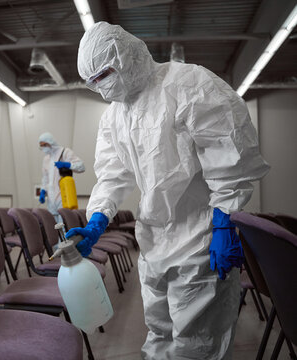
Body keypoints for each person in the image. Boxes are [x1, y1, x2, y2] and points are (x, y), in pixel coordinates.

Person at [68, 22, 270, 359]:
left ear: (126, 56)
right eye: (92, 83)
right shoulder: (114, 117)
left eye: (104, 75)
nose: (101, 88)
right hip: (153, 242)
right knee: (158, 333)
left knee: (198, 344)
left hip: (201, 239)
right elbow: (112, 174)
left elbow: (229, 156)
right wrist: (97, 219)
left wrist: (224, 222)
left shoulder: (189, 84)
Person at [38, 132, 85, 223]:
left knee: (64, 223)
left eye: (44, 145)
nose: (43, 148)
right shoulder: (46, 159)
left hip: (63, 194)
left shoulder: (65, 152)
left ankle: (65, 238)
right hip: (51, 197)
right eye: (41, 146)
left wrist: (68, 165)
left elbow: (81, 167)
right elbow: (45, 178)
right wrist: (43, 190)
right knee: (54, 226)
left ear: (50, 142)